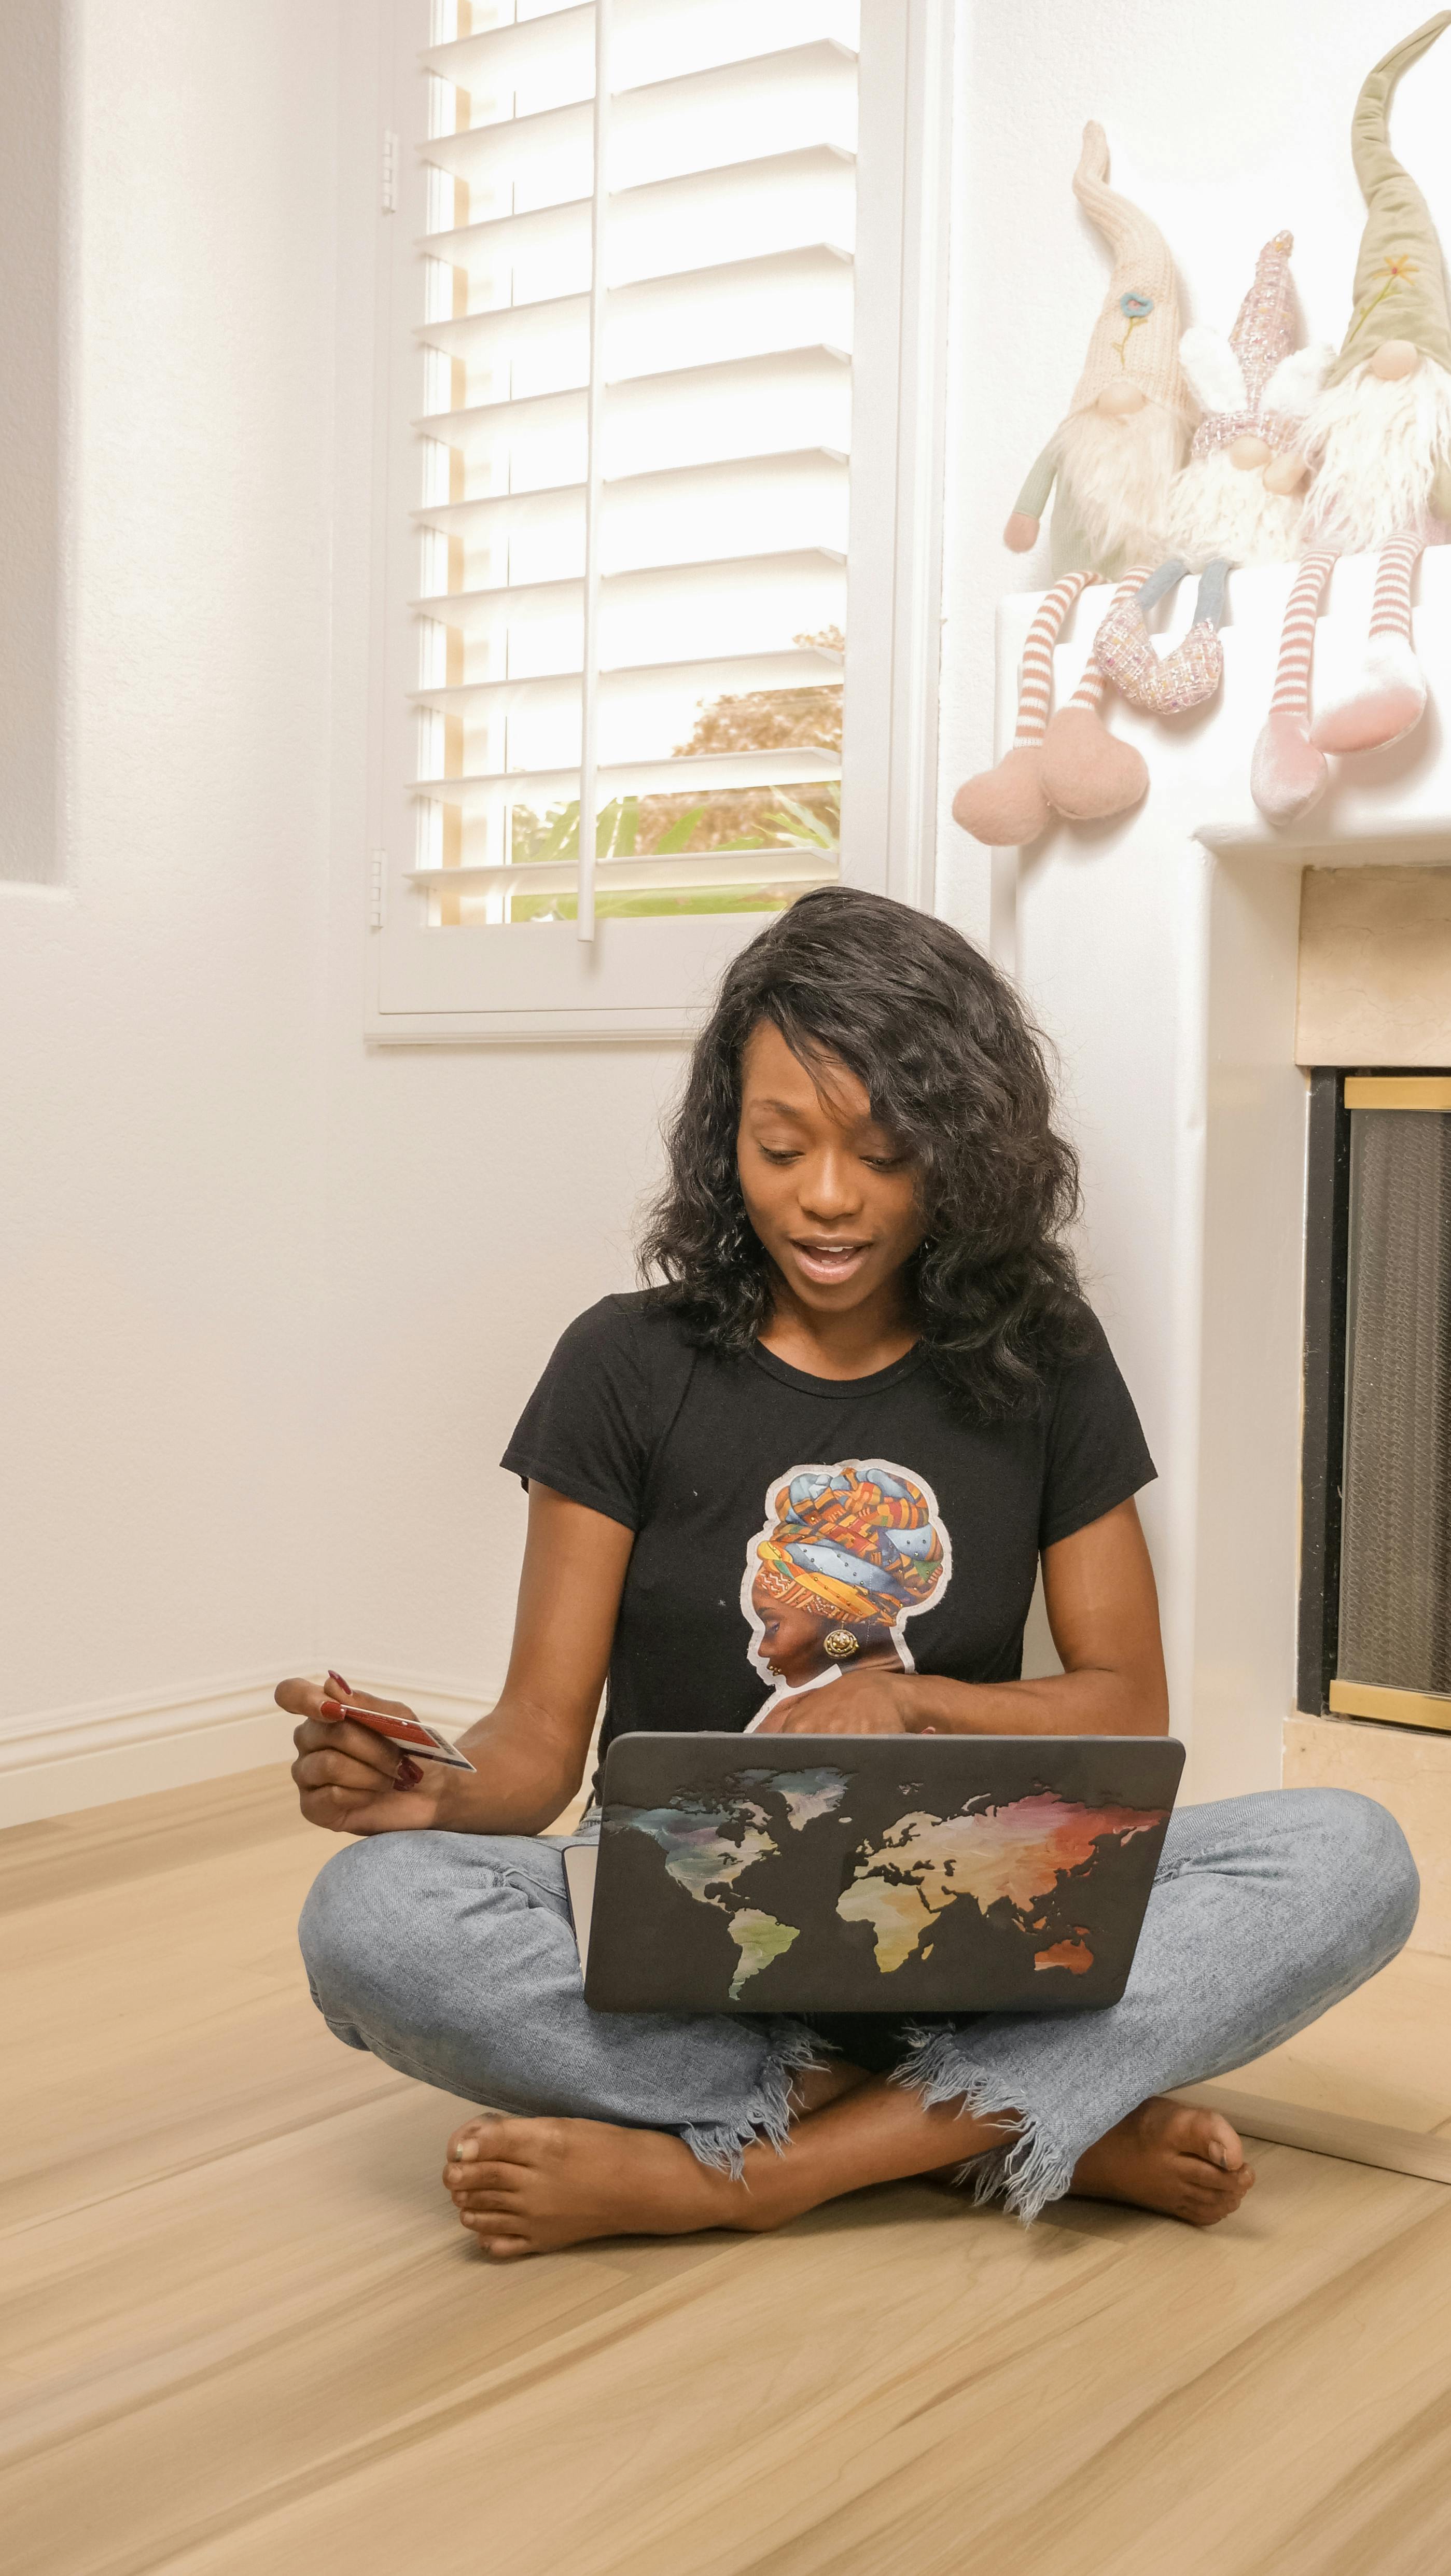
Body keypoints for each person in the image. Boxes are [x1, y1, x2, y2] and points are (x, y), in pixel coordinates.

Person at [281, 888, 1417, 2260]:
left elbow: (1123, 1711)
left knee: (1355, 1856)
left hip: (975, 1896)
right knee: (372, 1922)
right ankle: (981, 2120)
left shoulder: (1045, 1354)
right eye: (781, 1146)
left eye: (885, 1156)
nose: (826, 1197)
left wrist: (913, 1705)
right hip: (684, 1912)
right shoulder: (622, 1365)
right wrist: (432, 1790)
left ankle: (757, 2174)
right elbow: (532, 1748)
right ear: (726, 1142)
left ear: (961, 1159)